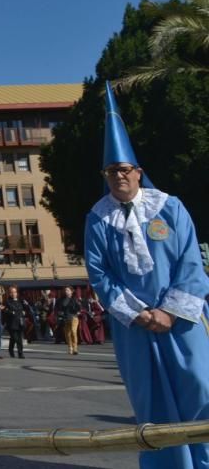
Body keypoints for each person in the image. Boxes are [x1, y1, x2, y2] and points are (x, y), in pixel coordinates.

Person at [85, 82, 209, 469]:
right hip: (134, 327)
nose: (118, 176)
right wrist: (137, 313)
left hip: (182, 322)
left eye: (124, 170)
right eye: (111, 171)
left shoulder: (170, 208)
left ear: (138, 172)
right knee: (150, 400)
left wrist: (169, 312)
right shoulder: (97, 219)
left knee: (198, 388)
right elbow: (99, 272)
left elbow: (191, 262)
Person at [54, 286, 81, 355]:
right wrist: (59, 314)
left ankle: (75, 348)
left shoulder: (75, 299)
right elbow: (57, 308)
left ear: (71, 291)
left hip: (73, 318)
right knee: (67, 334)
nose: (66, 291)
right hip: (65, 318)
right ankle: (70, 348)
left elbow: (79, 307)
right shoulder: (61, 300)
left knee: (73, 331)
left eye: (68, 290)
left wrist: (78, 311)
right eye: (65, 290)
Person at [2, 286, 26, 359]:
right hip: (11, 323)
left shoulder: (20, 301)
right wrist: (11, 312)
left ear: (17, 293)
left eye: (14, 292)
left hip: (20, 322)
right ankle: (19, 353)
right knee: (16, 338)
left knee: (18, 338)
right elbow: (5, 311)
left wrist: (24, 312)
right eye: (11, 292)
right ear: (9, 293)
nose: (13, 294)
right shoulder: (7, 302)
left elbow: (23, 309)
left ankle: (15, 351)